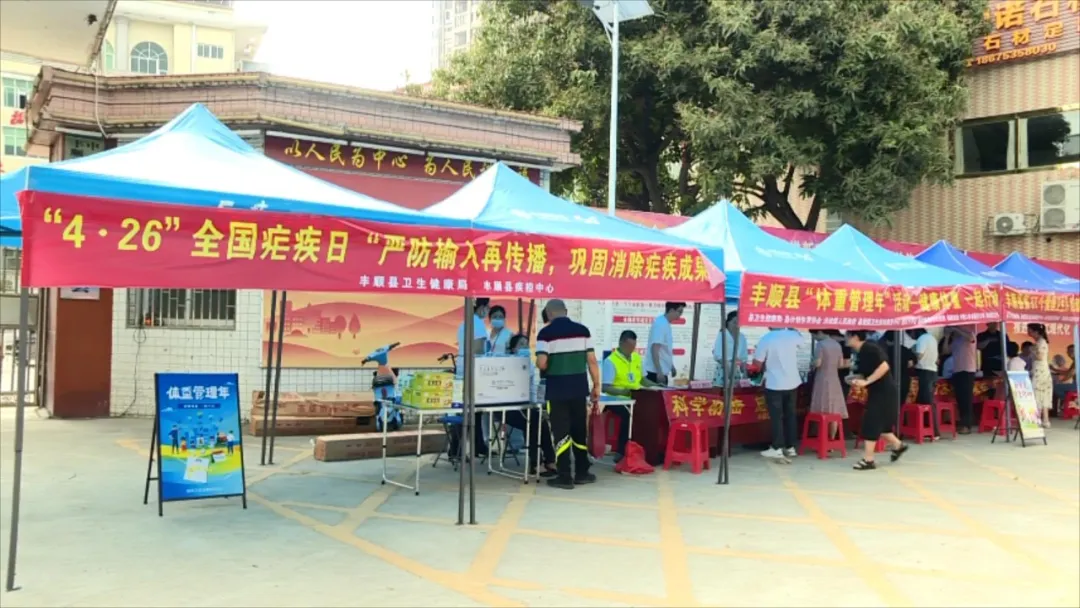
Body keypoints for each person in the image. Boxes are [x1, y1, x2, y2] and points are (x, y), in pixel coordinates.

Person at [535, 299, 601, 490]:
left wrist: (547, 363)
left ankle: (564, 476)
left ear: (548, 313)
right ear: (565, 311)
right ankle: (582, 472)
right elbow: (592, 361)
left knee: (561, 432)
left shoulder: (545, 333)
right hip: (579, 389)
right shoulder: (583, 331)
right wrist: (596, 386)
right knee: (579, 430)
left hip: (557, 390)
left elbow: (541, 363)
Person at [846, 331, 908, 470]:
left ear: (855, 337)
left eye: (847, 336)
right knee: (882, 426)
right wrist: (856, 379)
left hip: (883, 392)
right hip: (878, 391)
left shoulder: (869, 348)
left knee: (871, 423)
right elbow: (869, 371)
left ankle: (868, 460)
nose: (846, 339)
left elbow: (884, 366)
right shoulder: (862, 352)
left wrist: (867, 381)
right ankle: (898, 445)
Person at [503, 333, 557, 478]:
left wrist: (537, 405)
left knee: (540, 421)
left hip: (527, 407)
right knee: (533, 422)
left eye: (526, 344)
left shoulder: (530, 365)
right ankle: (536, 463)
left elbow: (533, 389)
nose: (525, 347)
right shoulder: (506, 365)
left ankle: (550, 460)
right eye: (521, 344)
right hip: (509, 408)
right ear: (513, 349)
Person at [753, 327, 803, 459]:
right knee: (790, 415)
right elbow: (801, 342)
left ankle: (777, 447)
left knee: (776, 417)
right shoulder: (793, 335)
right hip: (792, 382)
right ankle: (791, 447)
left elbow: (757, 363)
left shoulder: (767, 338)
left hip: (775, 383)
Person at [456, 297, 491, 457]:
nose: (488, 311)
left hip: (464, 368)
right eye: (487, 307)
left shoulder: (464, 323)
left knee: (468, 411)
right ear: (481, 307)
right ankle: (465, 447)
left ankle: (473, 446)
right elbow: (478, 349)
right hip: (473, 370)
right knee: (473, 411)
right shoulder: (478, 324)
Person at [601, 330, 643, 459]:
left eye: (633, 347)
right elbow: (605, 387)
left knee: (647, 412)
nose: (631, 350)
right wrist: (623, 391)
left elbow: (643, 379)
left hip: (635, 397)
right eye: (629, 346)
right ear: (621, 343)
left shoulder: (636, 358)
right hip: (616, 400)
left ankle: (642, 449)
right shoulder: (611, 361)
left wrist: (656, 385)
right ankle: (621, 451)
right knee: (628, 415)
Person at [809, 329, 846, 440]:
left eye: (814, 335)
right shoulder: (837, 345)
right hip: (835, 379)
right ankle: (832, 438)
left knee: (822, 409)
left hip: (822, 379)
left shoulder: (820, 345)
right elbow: (840, 365)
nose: (814, 338)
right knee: (834, 410)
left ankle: (822, 437)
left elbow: (818, 363)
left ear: (820, 332)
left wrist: (812, 363)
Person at [945, 325, 977, 434]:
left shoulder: (970, 335)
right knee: (960, 399)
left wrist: (956, 329)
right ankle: (963, 423)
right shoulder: (956, 341)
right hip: (957, 371)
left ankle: (967, 426)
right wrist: (947, 337)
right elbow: (945, 351)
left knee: (966, 399)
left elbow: (970, 338)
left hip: (967, 370)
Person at [645, 302, 685, 385]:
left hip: (661, 371)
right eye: (679, 312)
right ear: (671, 310)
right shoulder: (660, 324)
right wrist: (659, 372)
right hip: (655, 373)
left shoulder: (665, 323)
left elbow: (664, 349)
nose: (680, 315)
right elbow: (655, 349)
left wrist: (671, 366)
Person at [712, 310, 749, 386]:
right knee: (722, 390)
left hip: (735, 369)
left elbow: (743, 358)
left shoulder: (742, 337)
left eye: (738, 323)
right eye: (734, 322)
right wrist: (727, 365)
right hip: (723, 369)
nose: (736, 325)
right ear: (728, 322)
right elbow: (717, 355)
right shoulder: (722, 334)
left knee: (736, 391)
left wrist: (745, 374)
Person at [880, 331, 916, 407]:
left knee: (890, 404)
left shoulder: (886, 351)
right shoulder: (905, 349)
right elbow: (911, 363)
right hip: (905, 380)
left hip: (891, 380)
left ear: (887, 340)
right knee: (901, 403)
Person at [1027, 323, 1053, 428]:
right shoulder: (1040, 342)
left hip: (1040, 371)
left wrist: (1032, 350)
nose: (1028, 332)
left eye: (1029, 330)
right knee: (1043, 394)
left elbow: (1040, 357)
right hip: (1041, 370)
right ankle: (1045, 420)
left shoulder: (1041, 342)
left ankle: (1038, 419)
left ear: (1036, 332)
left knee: (1038, 393)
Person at [1051, 344, 1076, 412]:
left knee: (1055, 388)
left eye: (1072, 351)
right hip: (1074, 384)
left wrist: (1061, 381)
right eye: (1068, 351)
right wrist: (1054, 369)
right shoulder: (1074, 361)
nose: (1069, 353)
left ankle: (1070, 401)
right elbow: (1068, 372)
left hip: (1076, 386)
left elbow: (1070, 374)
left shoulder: (1077, 361)